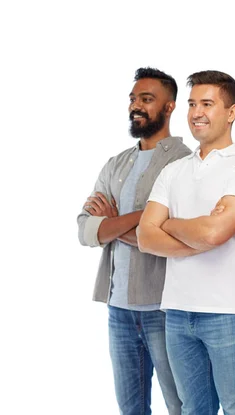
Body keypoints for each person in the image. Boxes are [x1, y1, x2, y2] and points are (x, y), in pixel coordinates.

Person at [137, 70, 235, 415]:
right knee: (194, 409)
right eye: (193, 104)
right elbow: (145, 236)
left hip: (230, 311)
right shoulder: (174, 170)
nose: (197, 112)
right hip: (177, 310)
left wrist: (170, 223)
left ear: (231, 111)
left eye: (207, 104)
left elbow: (214, 233)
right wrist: (202, 236)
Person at [77, 67, 189, 415]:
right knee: (131, 408)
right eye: (133, 99)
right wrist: (139, 219)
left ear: (169, 107)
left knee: (182, 405)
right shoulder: (117, 163)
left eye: (146, 99)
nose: (135, 106)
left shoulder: (183, 161)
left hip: (164, 308)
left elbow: (169, 233)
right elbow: (84, 229)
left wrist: (110, 223)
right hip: (118, 309)